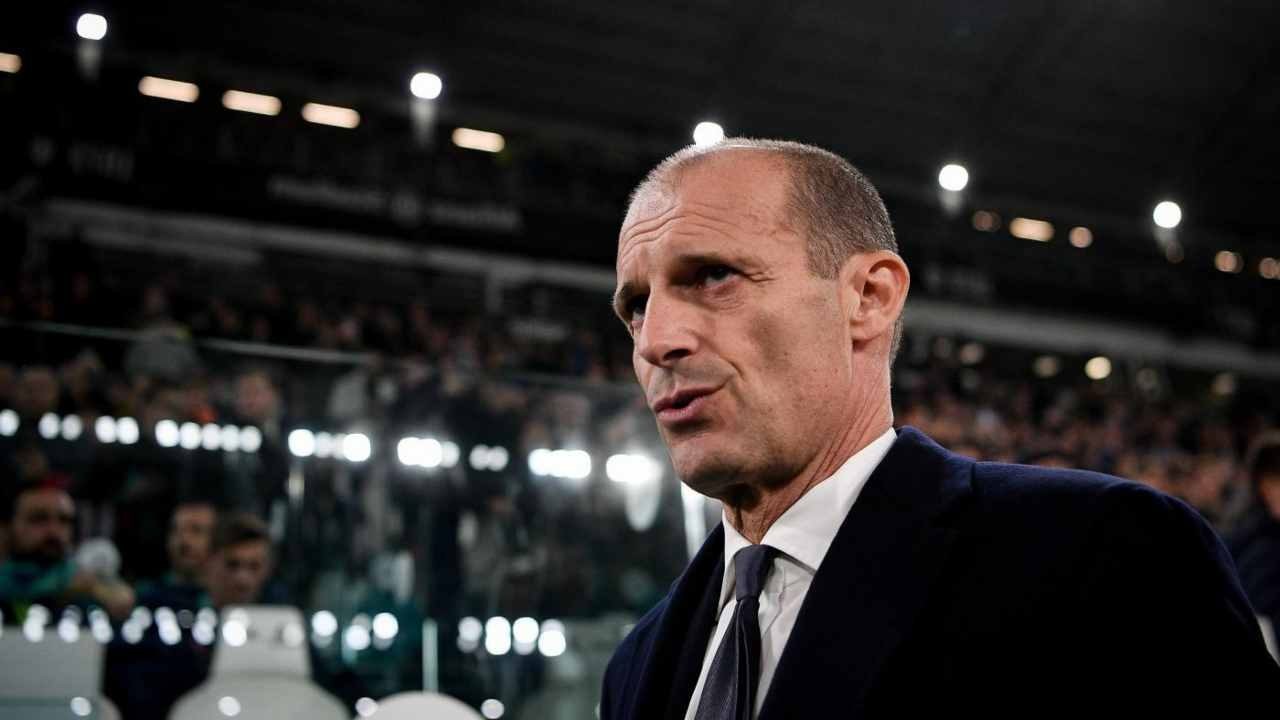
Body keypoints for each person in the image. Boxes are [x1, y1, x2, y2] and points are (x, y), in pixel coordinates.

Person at [600, 139, 1278, 718]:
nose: (655, 340)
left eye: (713, 276)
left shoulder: (1108, 557)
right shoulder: (638, 661)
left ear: (869, 298)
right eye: (635, 306)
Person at [0, 476, 134, 622]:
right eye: (39, 518)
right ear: (7, 527)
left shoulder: (88, 578)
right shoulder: (81, 585)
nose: (54, 530)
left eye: (64, 520)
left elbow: (122, 597)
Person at [206, 511, 274, 608]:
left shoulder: (287, 612)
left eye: (254, 567)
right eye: (232, 565)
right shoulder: (186, 607)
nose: (243, 580)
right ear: (210, 563)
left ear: (268, 569)